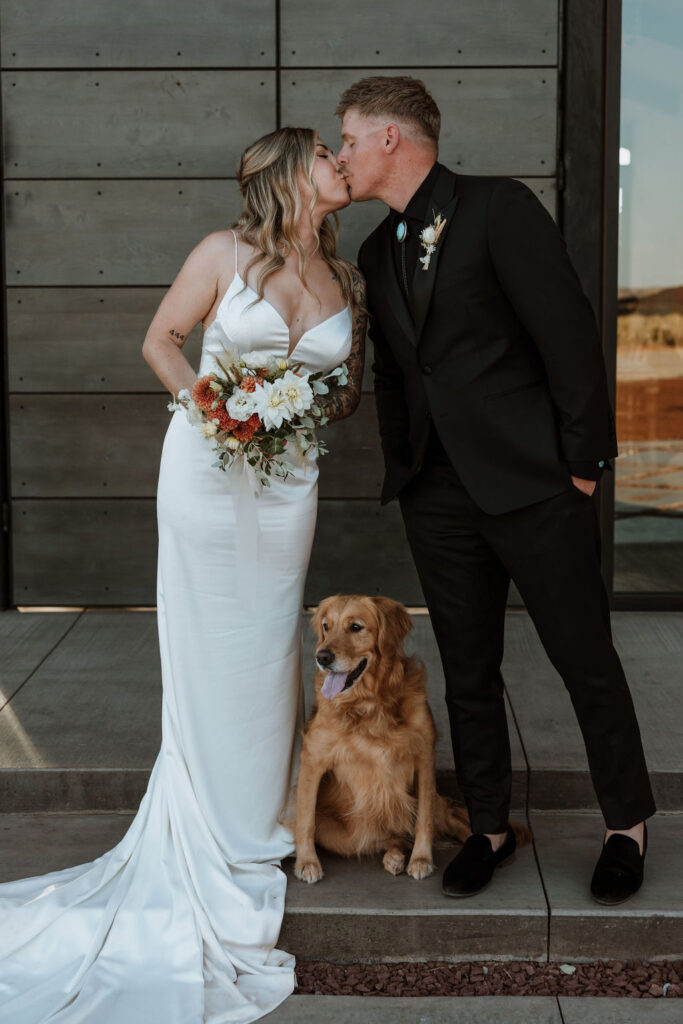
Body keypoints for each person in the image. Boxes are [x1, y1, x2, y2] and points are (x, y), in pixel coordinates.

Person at [0, 127, 366, 1023]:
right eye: (328, 154)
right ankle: (211, 826)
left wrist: (304, 404)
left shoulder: (343, 273)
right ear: (291, 171)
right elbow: (161, 341)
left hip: (290, 487)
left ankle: (263, 817)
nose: (341, 165)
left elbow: (342, 387)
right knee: (210, 643)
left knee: (268, 639)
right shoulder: (221, 252)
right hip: (208, 473)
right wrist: (223, 413)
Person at [336, 75, 655, 903]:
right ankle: (487, 827)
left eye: (347, 139)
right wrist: (404, 469)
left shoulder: (496, 208)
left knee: (583, 659)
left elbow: (567, 333)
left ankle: (626, 826)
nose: (340, 154)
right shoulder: (374, 253)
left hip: (536, 485)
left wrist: (582, 464)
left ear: (390, 140)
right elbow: (404, 379)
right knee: (467, 671)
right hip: (436, 497)